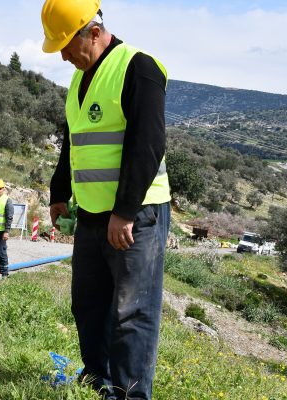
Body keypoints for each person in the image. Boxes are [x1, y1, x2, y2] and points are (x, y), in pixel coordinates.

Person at [40, 1, 172, 399]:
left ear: (93, 32)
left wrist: (125, 211)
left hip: (137, 216)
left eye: (66, 44)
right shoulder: (80, 80)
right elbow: (72, 143)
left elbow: (148, 145)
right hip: (93, 214)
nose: (62, 54)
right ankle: (98, 384)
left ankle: (130, 395)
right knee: (89, 305)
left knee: (131, 314)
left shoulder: (139, 68)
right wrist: (59, 192)